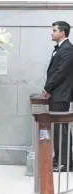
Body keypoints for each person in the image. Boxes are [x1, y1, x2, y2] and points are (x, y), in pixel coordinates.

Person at [42, 21, 73, 172]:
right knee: (60, 129)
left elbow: (60, 72)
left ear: (62, 33)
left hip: (61, 95)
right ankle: (61, 159)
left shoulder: (67, 49)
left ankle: (65, 163)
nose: (52, 33)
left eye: (54, 30)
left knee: (62, 129)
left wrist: (47, 88)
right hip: (57, 94)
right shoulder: (62, 48)